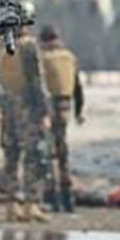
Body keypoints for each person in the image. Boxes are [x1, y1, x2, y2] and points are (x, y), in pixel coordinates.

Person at [0, 11, 51, 222]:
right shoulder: (29, 46)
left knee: (11, 156)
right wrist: (44, 112)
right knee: (33, 156)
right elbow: (37, 80)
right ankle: (31, 204)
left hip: (6, 106)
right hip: (28, 107)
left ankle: (12, 205)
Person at [38, 23, 84, 212]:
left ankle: (53, 198)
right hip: (66, 107)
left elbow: (38, 87)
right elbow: (78, 87)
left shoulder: (42, 59)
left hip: (48, 107)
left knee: (49, 154)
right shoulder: (70, 57)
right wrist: (79, 111)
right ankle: (68, 198)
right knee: (62, 151)